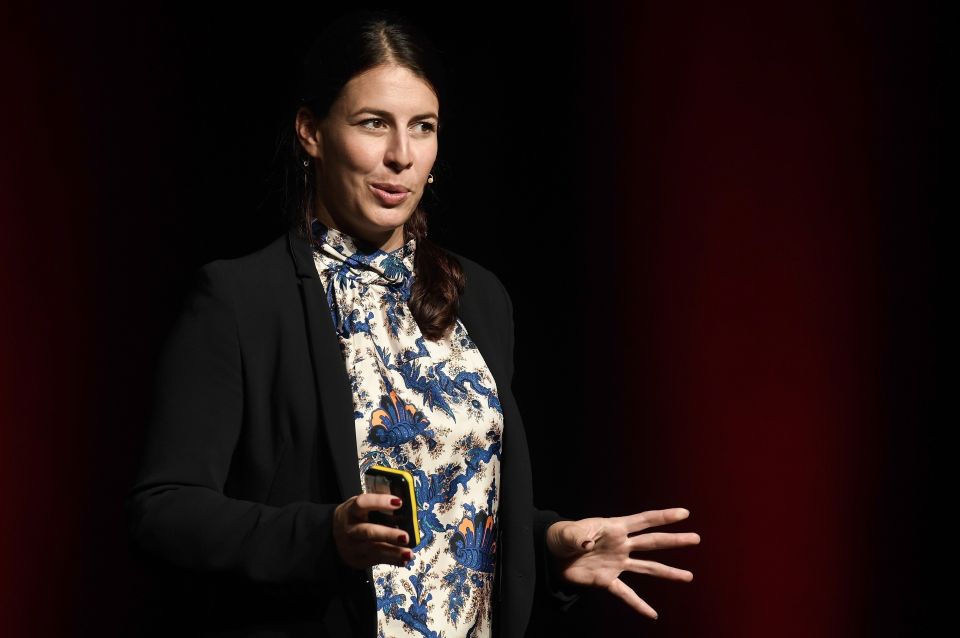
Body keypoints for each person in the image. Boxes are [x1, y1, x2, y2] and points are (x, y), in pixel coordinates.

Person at [123, 8, 700, 638]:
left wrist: (549, 542)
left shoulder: (477, 296)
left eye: (422, 127)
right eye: (373, 124)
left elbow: (456, 505)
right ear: (311, 132)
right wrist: (324, 534)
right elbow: (163, 512)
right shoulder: (241, 300)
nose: (401, 156)